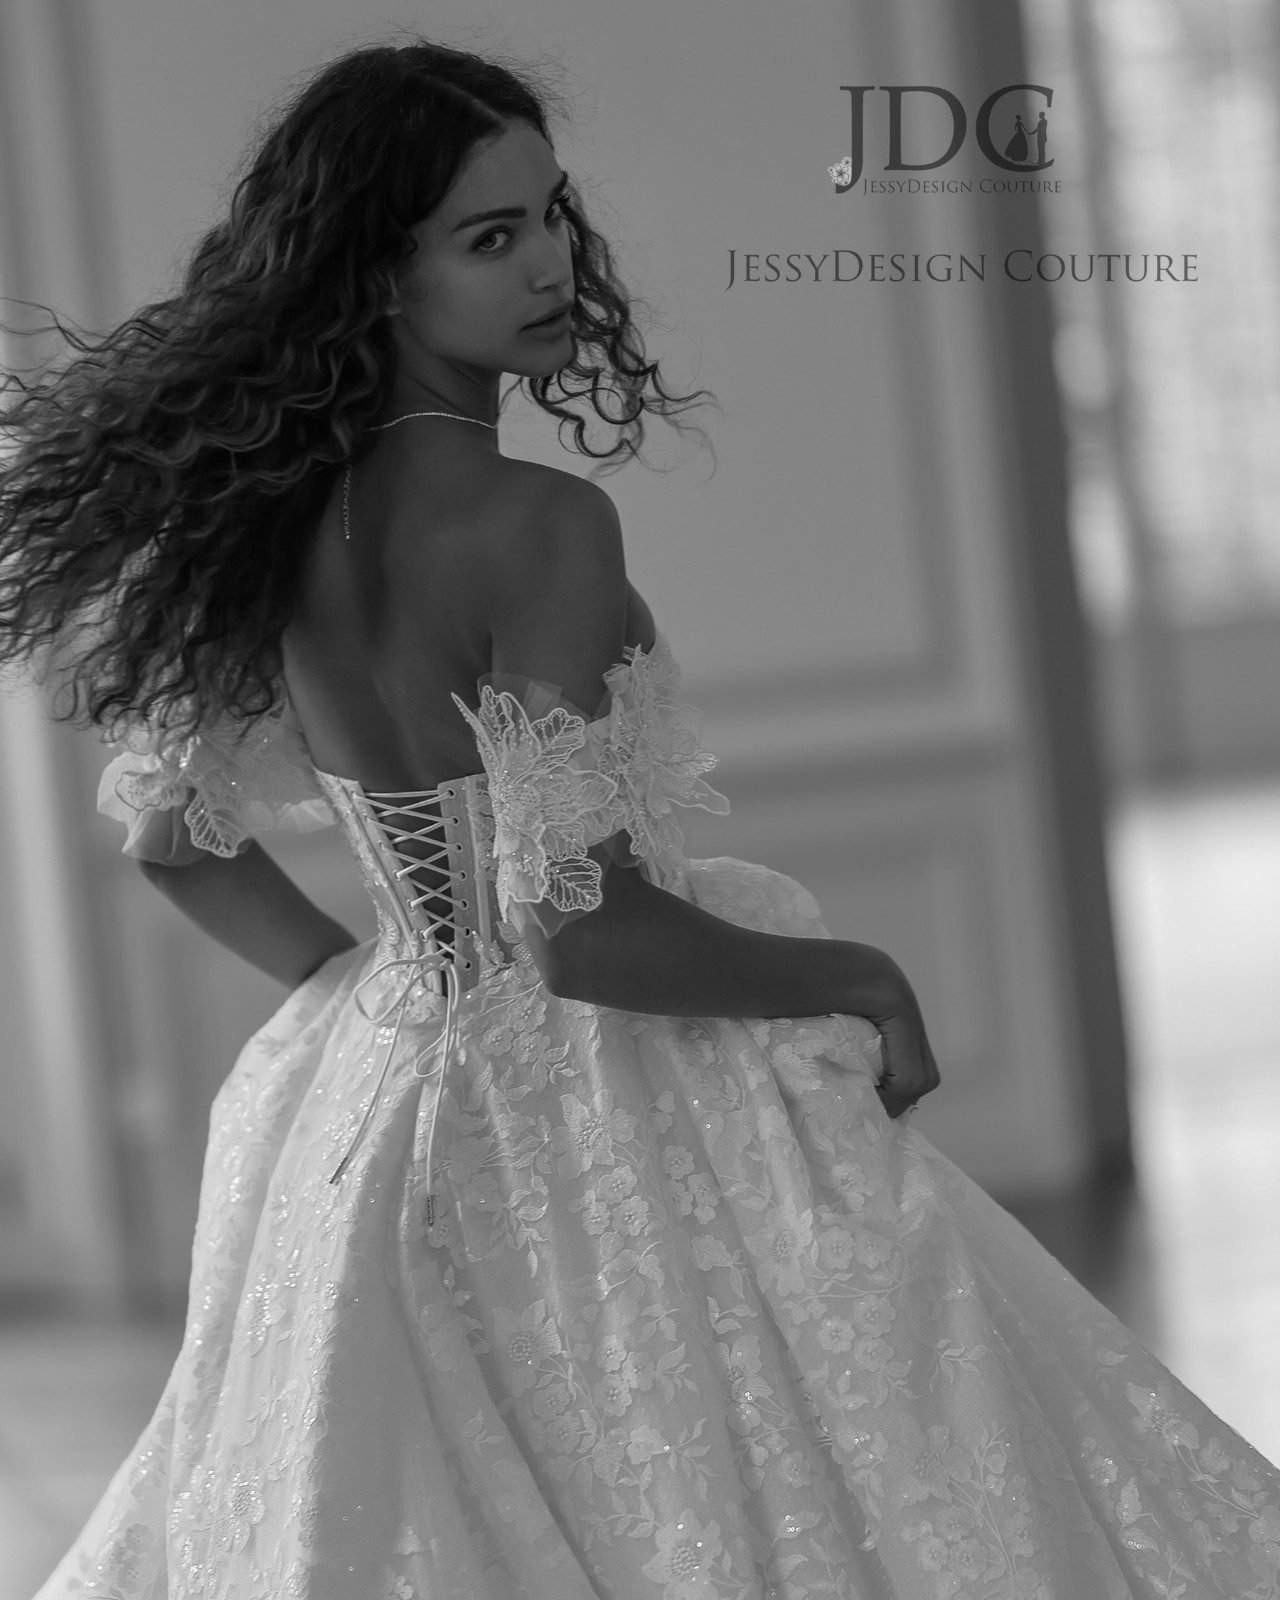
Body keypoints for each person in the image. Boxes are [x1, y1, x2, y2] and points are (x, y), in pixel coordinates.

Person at [2, 35, 1278, 1600]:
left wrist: (366, 991)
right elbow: (579, 927)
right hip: (597, 1104)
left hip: (369, 1118)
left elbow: (168, 838)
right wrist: (859, 973)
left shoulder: (263, 529)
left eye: (552, 214)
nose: (551, 263)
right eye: (492, 236)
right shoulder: (538, 522)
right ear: (378, 278)